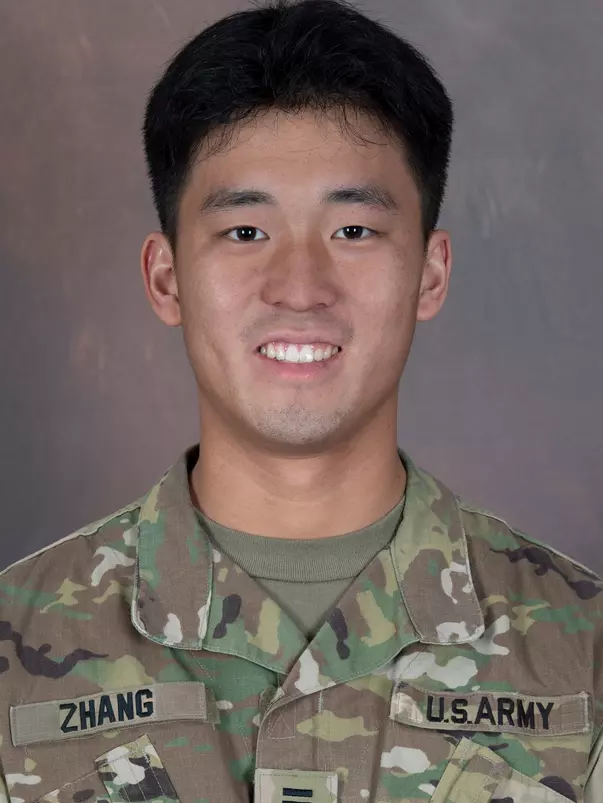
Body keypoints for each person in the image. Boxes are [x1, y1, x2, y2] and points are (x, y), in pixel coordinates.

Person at [1, 0, 601, 800]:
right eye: (245, 232)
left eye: (353, 231)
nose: (299, 287)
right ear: (166, 278)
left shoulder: (583, 650)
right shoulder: (15, 646)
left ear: (429, 274)